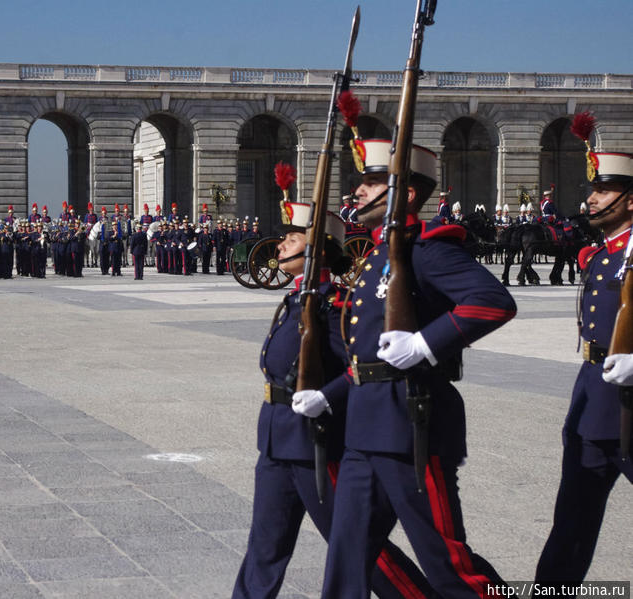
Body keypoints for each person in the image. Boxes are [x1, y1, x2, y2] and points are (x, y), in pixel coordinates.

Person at [322, 138, 516, 598]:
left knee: (447, 563)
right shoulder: (374, 258)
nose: (358, 192)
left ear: (406, 194)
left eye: (372, 183)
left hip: (412, 420)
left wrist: (426, 343)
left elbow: (492, 302)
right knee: (347, 557)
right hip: (365, 425)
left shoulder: (427, 252)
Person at [233, 201, 435, 599]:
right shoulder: (297, 301)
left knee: (360, 550)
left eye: (291, 239)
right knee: (264, 545)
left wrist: (326, 396)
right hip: (276, 437)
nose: (280, 247)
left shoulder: (334, 308)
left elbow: (359, 368)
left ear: (315, 249)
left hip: (315, 444)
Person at [535, 115, 633, 590]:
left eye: (603, 190)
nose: (590, 198)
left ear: (629, 199)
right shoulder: (605, 254)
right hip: (595, 399)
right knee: (572, 521)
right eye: (592, 188)